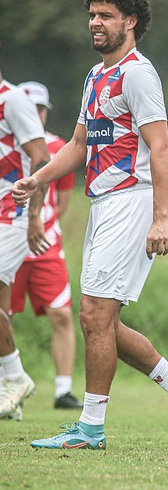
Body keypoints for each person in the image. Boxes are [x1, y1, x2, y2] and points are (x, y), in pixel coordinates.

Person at [13, 0, 168, 450]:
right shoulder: (96, 75)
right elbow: (79, 144)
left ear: (130, 21)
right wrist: (38, 178)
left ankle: (91, 429)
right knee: (100, 320)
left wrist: (161, 217)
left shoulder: (137, 73)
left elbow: (161, 146)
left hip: (132, 200)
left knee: (95, 315)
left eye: (105, 16)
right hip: (106, 203)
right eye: (92, 15)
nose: (95, 23)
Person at [10, 81, 82, 411]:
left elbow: (63, 201)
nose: (36, 114)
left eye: (41, 109)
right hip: (8, 234)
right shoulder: (5, 143)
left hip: (44, 243)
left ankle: (63, 390)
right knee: (4, 314)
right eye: (32, 108)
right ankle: (9, 384)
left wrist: (40, 223)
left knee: (61, 314)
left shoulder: (58, 147)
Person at [0, 53, 50, 419]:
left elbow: (41, 158)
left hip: (12, 214)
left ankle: (16, 378)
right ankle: (9, 393)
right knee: (2, 308)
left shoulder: (13, 99)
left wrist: (35, 216)